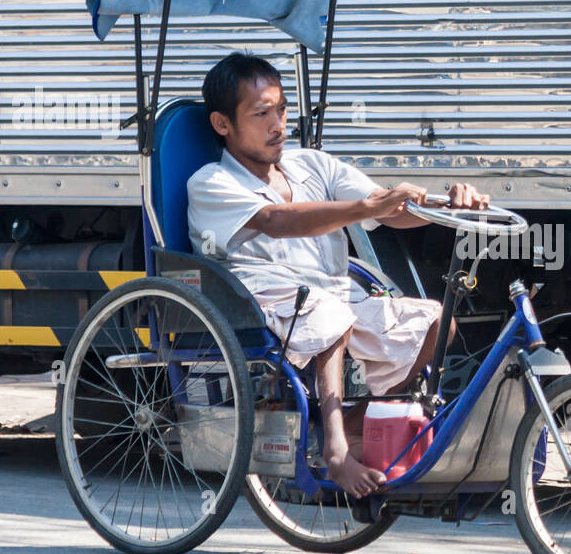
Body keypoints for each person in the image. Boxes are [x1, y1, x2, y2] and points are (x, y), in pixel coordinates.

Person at [186, 52, 490, 498]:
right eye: (261, 113)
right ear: (222, 124)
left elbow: (390, 211)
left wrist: (447, 205)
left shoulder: (313, 165)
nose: (278, 125)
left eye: (283, 109)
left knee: (433, 320)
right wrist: (364, 208)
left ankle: (354, 426)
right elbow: (277, 220)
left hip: (331, 295)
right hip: (259, 299)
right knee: (329, 314)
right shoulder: (211, 182)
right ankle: (334, 450)